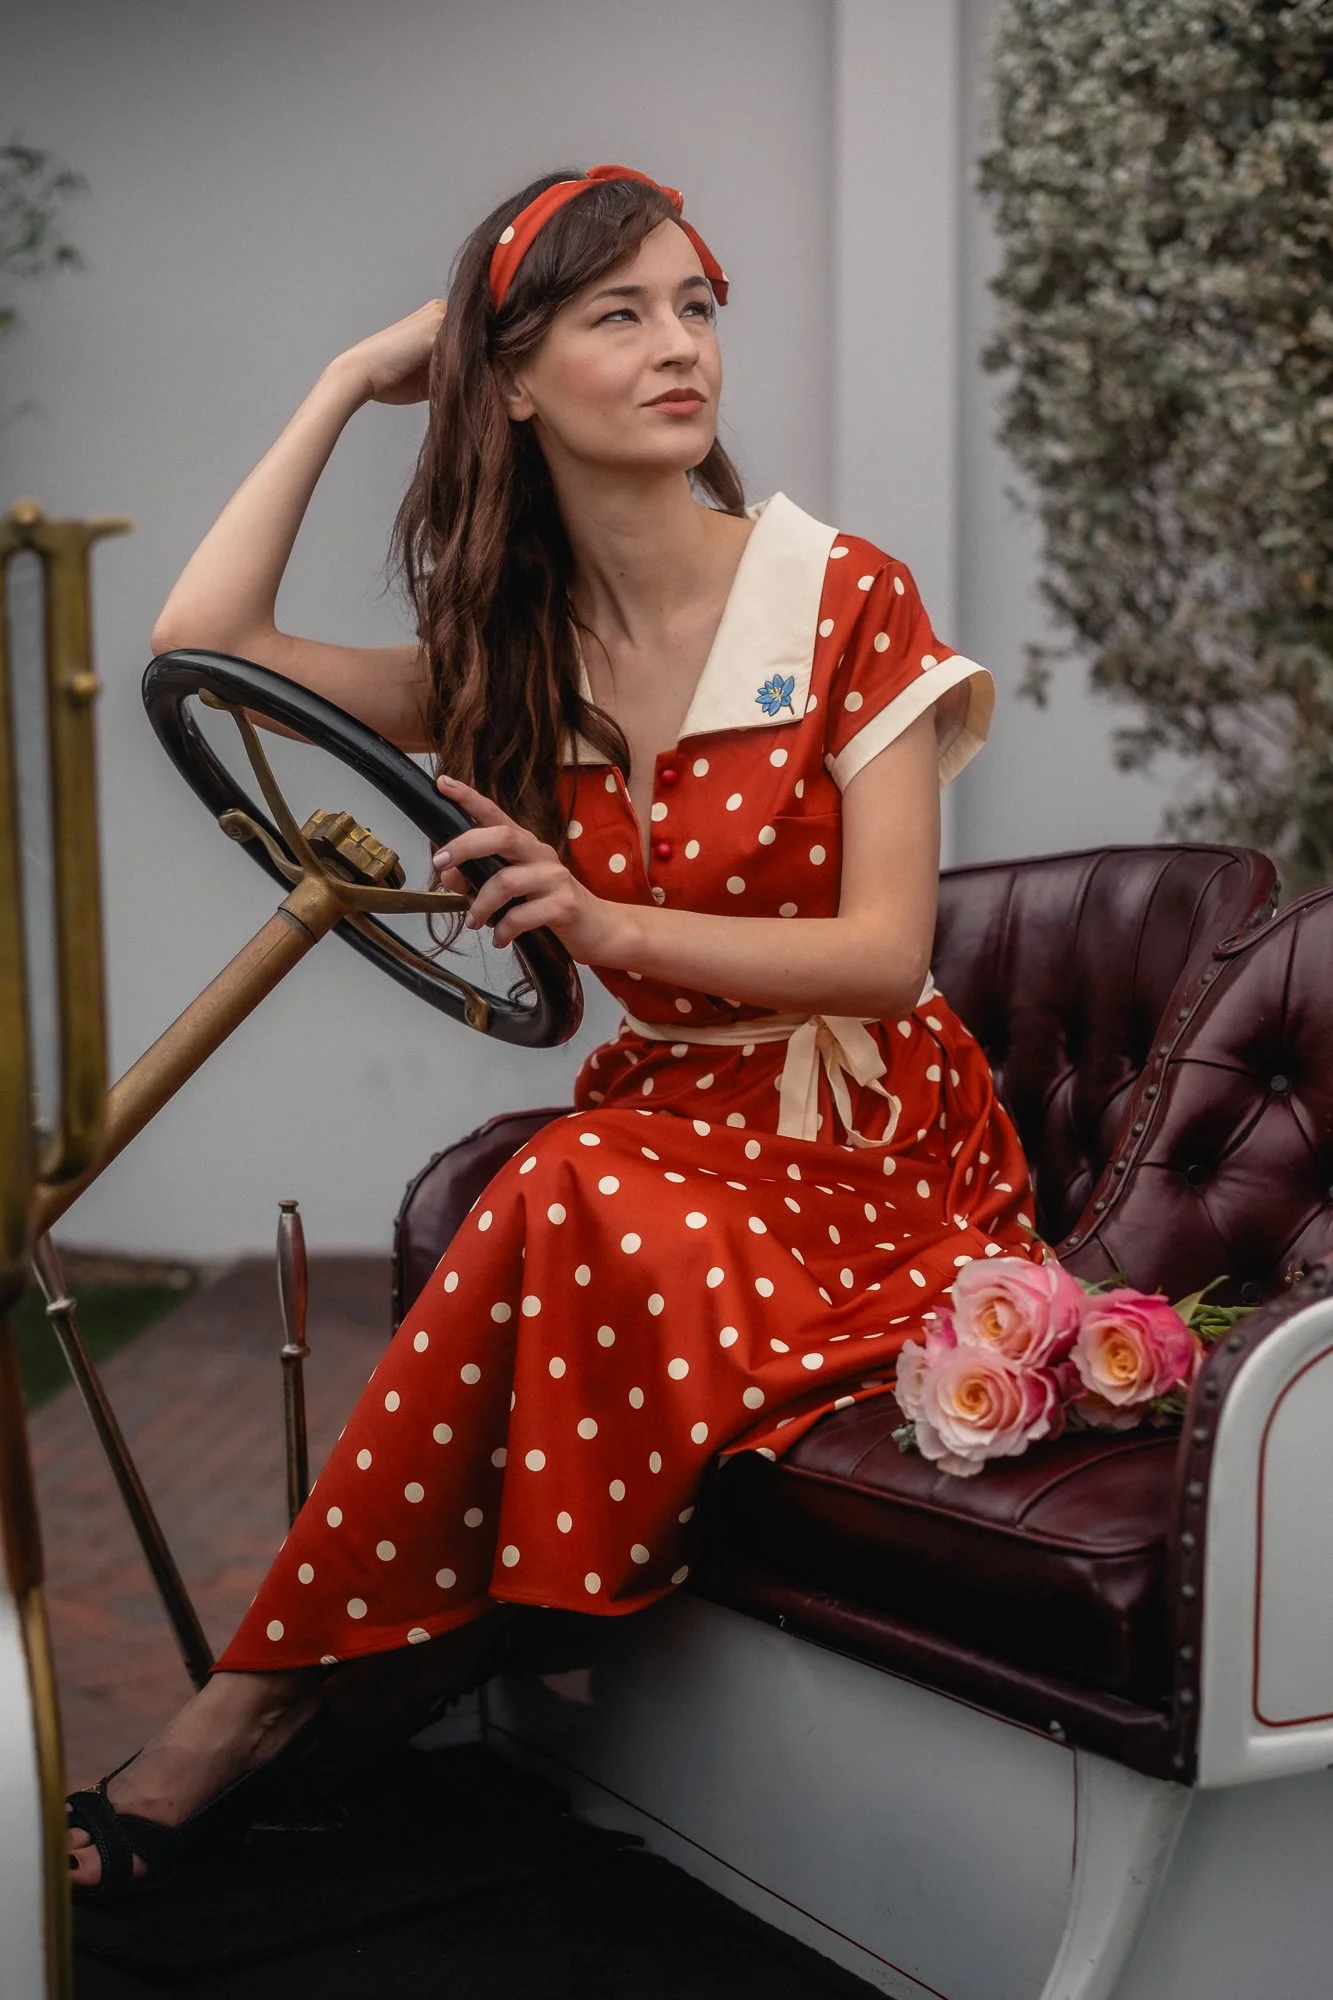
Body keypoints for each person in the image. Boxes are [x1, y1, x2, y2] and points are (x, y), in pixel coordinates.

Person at [68, 163, 1042, 1897]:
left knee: (568, 1179)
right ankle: (368, 1690)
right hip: (659, 1133)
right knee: (577, 1178)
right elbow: (204, 644)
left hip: (870, 1146)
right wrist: (344, 389)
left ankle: (258, 1722)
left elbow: (890, 957)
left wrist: (598, 925)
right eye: (620, 316)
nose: (682, 350)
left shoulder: (842, 598)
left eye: (694, 309)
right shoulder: (502, 647)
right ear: (507, 381)